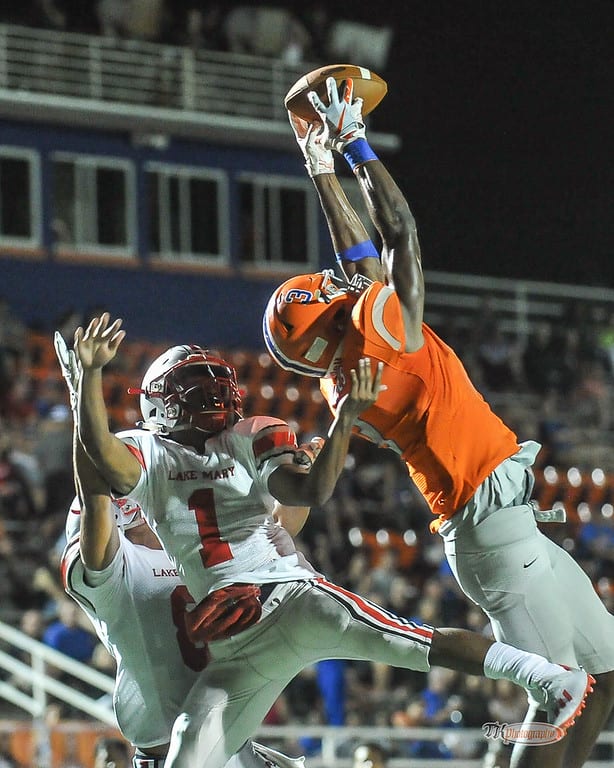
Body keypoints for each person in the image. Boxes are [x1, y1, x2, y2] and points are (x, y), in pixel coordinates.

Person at [262, 76, 614, 768]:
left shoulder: (349, 365)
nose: (337, 280)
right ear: (330, 316)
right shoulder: (374, 337)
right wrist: (355, 145)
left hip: (496, 522)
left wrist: (321, 169)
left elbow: (360, 259)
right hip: (493, 527)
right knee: (560, 694)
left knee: (602, 679)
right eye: (329, 291)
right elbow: (398, 236)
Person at [73, 317, 593, 768]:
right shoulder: (153, 454)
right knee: (188, 747)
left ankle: (549, 677)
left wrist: (343, 423)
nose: (209, 397)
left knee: (414, 641)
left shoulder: (246, 436)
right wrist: (88, 382)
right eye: (195, 388)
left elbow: (309, 491)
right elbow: (104, 464)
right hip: (236, 642)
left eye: (210, 386)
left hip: (290, 599)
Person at [54, 332, 309, 768]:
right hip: (173, 752)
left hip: (231, 749)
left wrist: (302, 473)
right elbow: (97, 510)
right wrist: (86, 401)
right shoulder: (122, 570)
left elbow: (278, 528)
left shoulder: (208, 545)